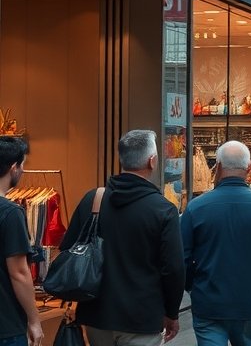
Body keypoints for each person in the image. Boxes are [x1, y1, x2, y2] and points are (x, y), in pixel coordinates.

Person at [59, 130, 184, 346]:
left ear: (121, 159)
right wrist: (171, 312)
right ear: (152, 161)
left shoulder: (93, 199)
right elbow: (173, 268)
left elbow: (68, 247)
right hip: (142, 316)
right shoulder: (163, 209)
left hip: (96, 313)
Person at [182, 141, 251, 346]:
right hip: (248, 301)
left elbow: (182, 258)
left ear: (218, 166)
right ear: (249, 167)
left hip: (208, 301)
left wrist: (193, 285)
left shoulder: (196, 208)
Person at [0, 137, 41, 346]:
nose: (23, 171)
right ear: (14, 168)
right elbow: (18, 272)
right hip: (6, 324)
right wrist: (34, 319)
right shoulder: (11, 213)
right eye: (23, 165)